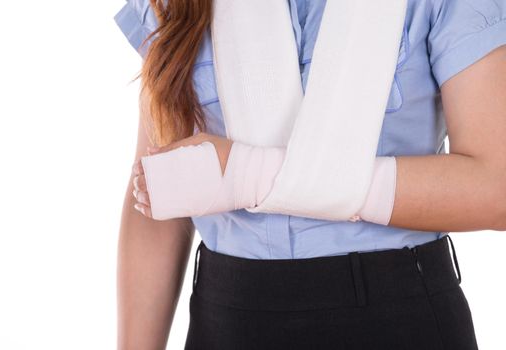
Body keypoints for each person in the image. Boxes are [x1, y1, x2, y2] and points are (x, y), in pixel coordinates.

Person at [114, 0, 506, 349]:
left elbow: (495, 189)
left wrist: (247, 175)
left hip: (396, 310)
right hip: (226, 316)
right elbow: (157, 192)